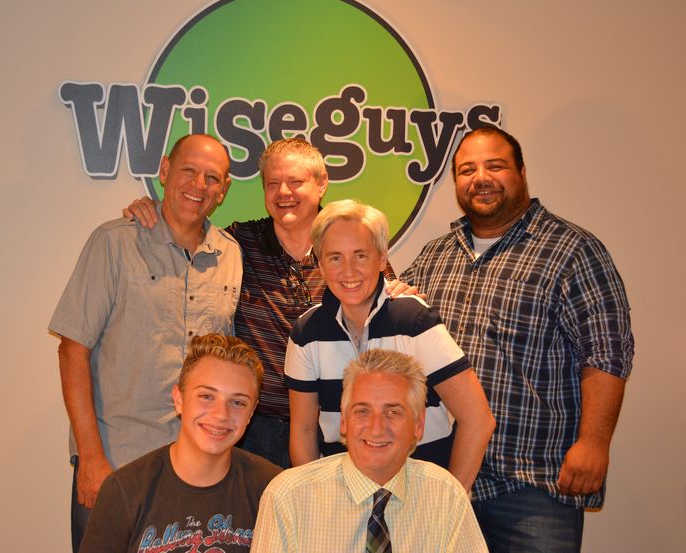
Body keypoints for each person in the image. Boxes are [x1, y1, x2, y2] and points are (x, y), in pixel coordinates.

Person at [400, 126, 634, 552]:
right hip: (446, 478)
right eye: (467, 170)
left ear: (522, 172)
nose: (480, 178)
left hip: (532, 485)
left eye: (495, 165)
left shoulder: (571, 250)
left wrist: (594, 442)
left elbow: (607, 352)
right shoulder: (434, 256)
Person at [124, 138, 401, 468]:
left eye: (296, 181)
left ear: (322, 184)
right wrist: (150, 208)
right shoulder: (236, 243)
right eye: (273, 183)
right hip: (255, 431)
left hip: (337, 426)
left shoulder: (352, 242)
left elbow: (388, 309)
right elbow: (185, 226)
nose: (284, 192)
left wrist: (398, 295)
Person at [49, 134, 241, 552]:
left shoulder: (231, 255)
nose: (198, 185)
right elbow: (72, 350)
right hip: (117, 463)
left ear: (223, 191)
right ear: (165, 170)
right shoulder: (114, 242)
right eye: (188, 170)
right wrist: (91, 458)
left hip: (196, 471)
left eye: (212, 178)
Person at [285, 199, 494, 492]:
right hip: (343, 497)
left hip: (421, 494)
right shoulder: (306, 332)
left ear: (382, 259)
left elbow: (477, 419)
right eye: (335, 257)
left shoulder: (414, 321)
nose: (349, 271)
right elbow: (304, 430)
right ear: (319, 263)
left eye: (360, 256)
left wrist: (451, 503)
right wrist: (314, 500)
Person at [251, 349, 488, 552]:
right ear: (343, 421)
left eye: (392, 412)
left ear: (418, 424)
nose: (376, 429)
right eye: (362, 411)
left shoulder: (446, 496)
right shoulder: (288, 497)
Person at [79, 334, 281, 553]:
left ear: (251, 413)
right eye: (206, 396)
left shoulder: (272, 489)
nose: (221, 414)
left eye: (238, 402)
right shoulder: (124, 490)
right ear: (179, 399)